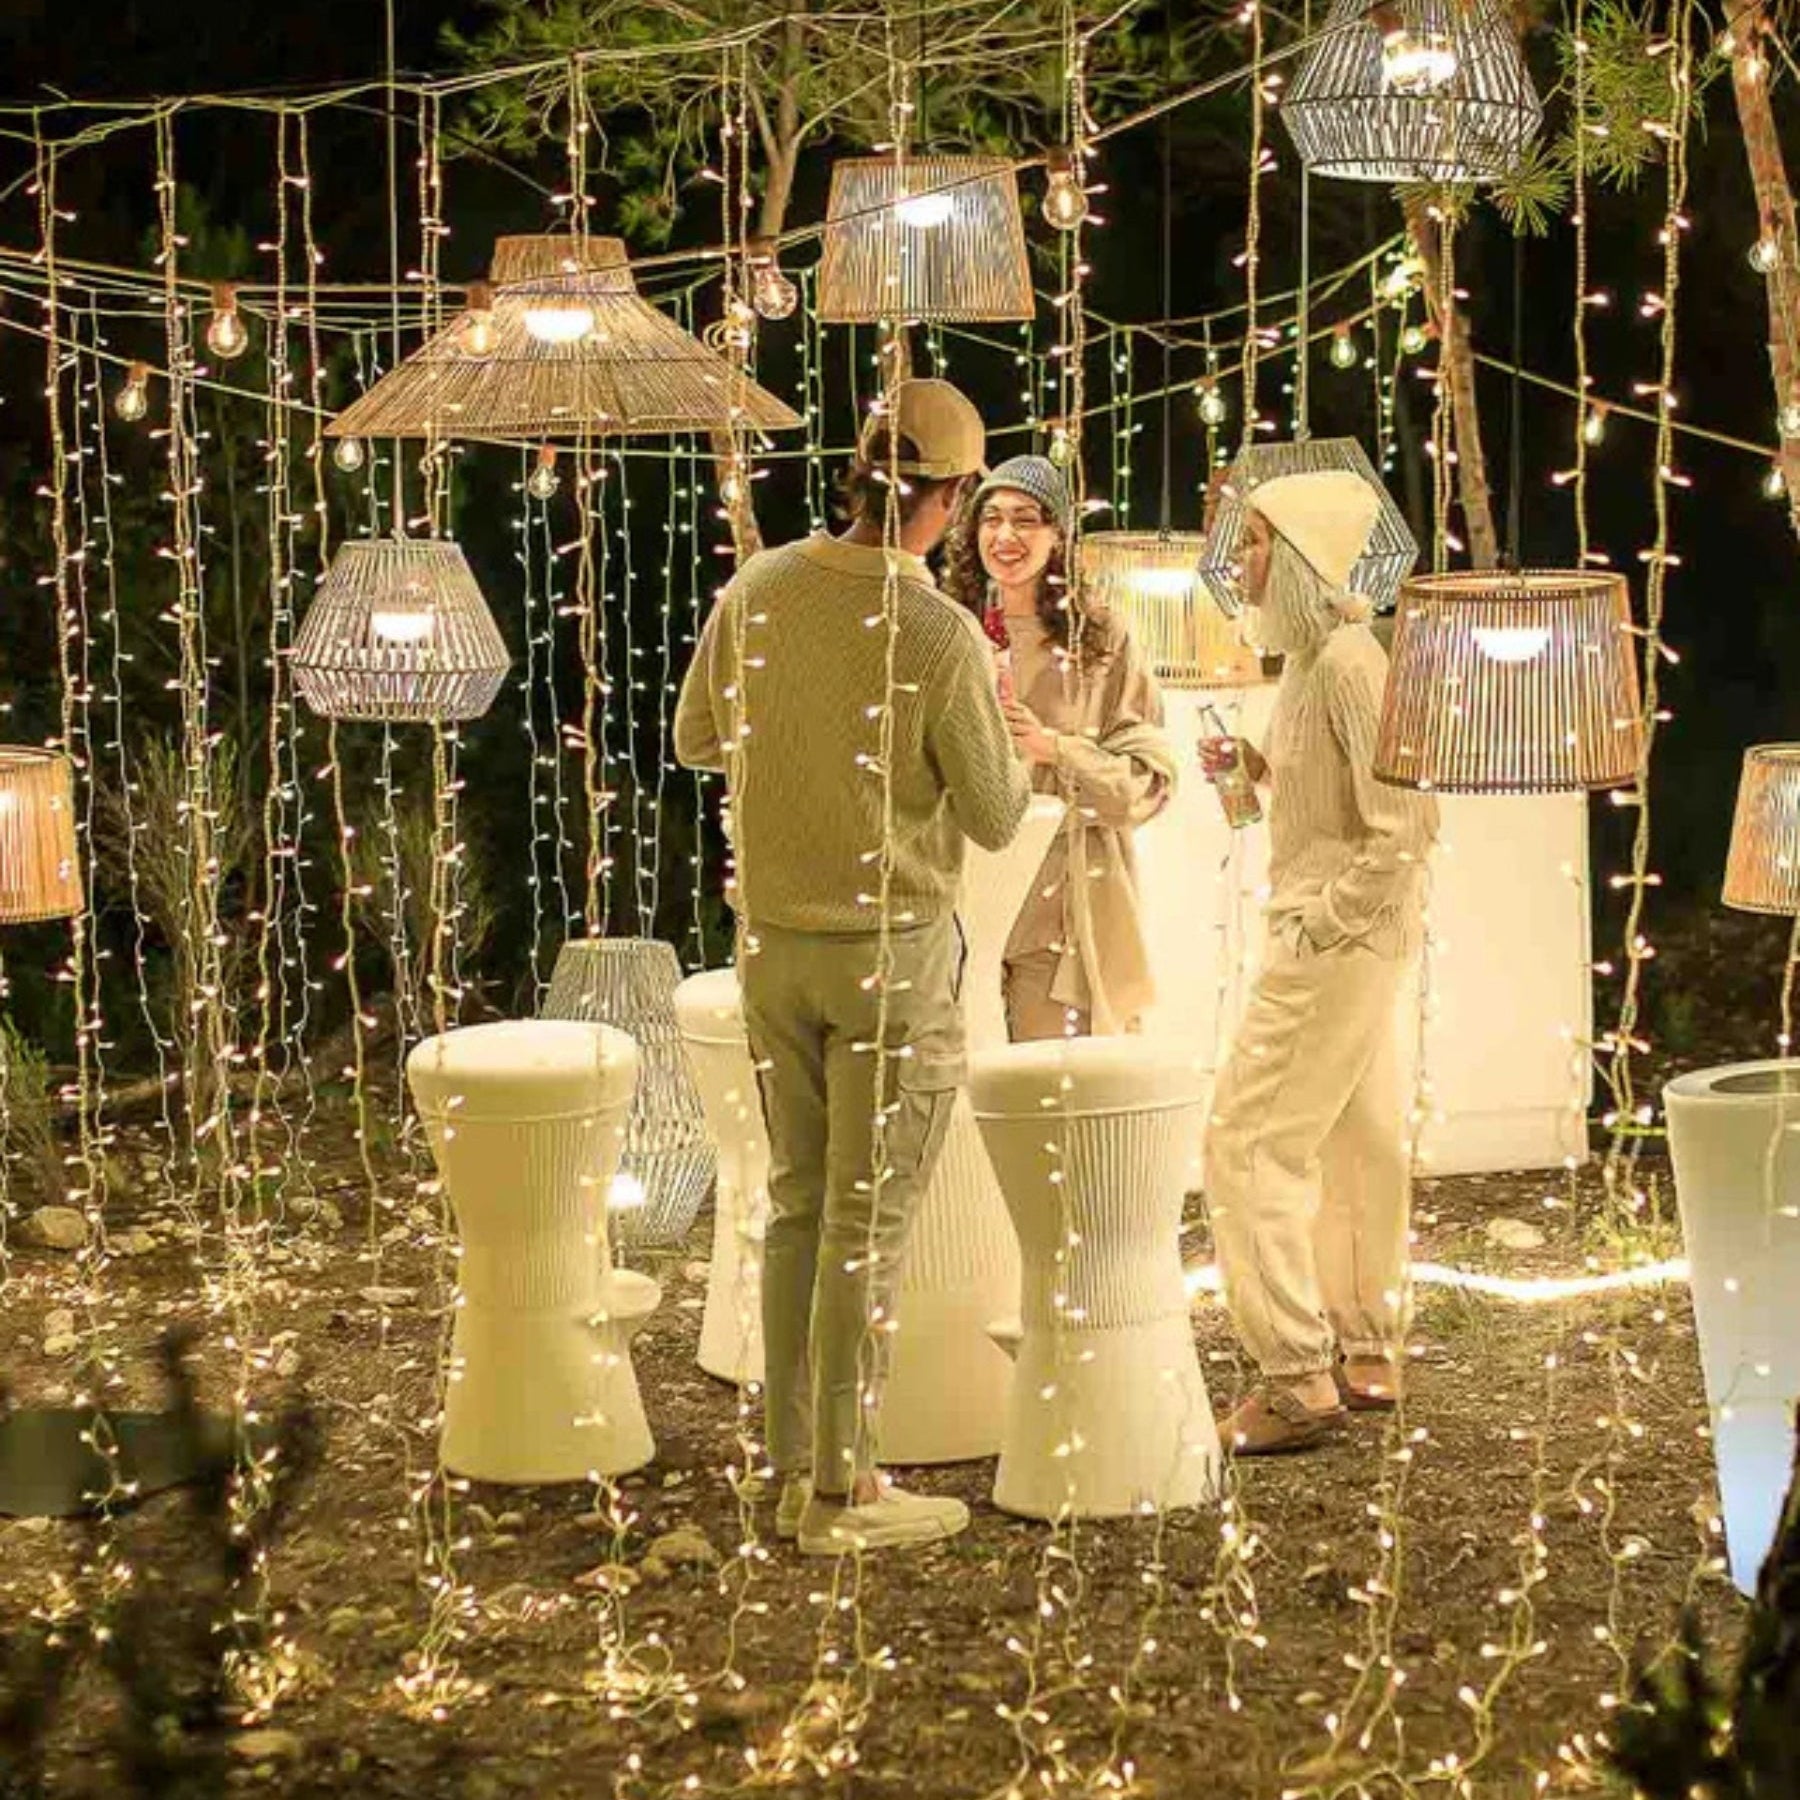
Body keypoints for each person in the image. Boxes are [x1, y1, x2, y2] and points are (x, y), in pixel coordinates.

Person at [675, 379, 1030, 1552]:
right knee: (862, 1228)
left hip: (773, 950)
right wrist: (1012, 740)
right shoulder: (934, 631)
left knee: (796, 1208)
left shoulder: (761, 586)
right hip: (889, 954)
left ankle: (792, 1471)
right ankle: (840, 1492)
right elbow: (989, 813)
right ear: (950, 495)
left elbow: (692, 739)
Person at [1198, 468, 1438, 1455]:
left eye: (1256, 545)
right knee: (1359, 1136)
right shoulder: (1308, 663)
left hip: (1333, 939)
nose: (1241, 563)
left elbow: (1407, 823)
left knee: (1247, 1143)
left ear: (1300, 556)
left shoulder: (1347, 662)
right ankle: (1363, 1337)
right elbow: (1305, 812)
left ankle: (1296, 1375)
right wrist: (1245, 778)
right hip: (1339, 931)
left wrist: (1324, 922)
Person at [942, 455, 1177, 1039]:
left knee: (1050, 1098)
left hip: (1062, 910)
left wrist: (1053, 749)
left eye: (1026, 519)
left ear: (1058, 535)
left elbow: (1147, 784)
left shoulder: (1099, 638)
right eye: (990, 519)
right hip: (960, 899)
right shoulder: (951, 630)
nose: (1005, 535)